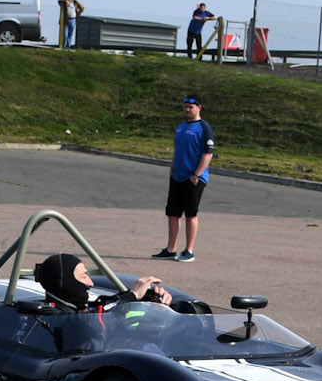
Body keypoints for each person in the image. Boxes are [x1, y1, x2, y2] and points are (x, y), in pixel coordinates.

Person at [156, 95, 214, 262]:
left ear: (199, 108)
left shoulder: (204, 128)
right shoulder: (181, 127)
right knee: (173, 213)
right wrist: (172, 168)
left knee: (190, 214)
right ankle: (170, 249)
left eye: (191, 107)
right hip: (177, 176)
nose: (187, 110)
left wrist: (196, 174)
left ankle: (189, 251)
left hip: (193, 178)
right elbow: (177, 150)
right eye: (185, 107)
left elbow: (207, 154)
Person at [33, 253, 172, 310]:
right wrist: (132, 296)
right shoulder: (52, 316)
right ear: (64, 282)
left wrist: (150, 302)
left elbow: (101, 306)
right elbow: (98, 314)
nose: (90, 283)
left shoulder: (79, 309)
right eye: (83, 277)